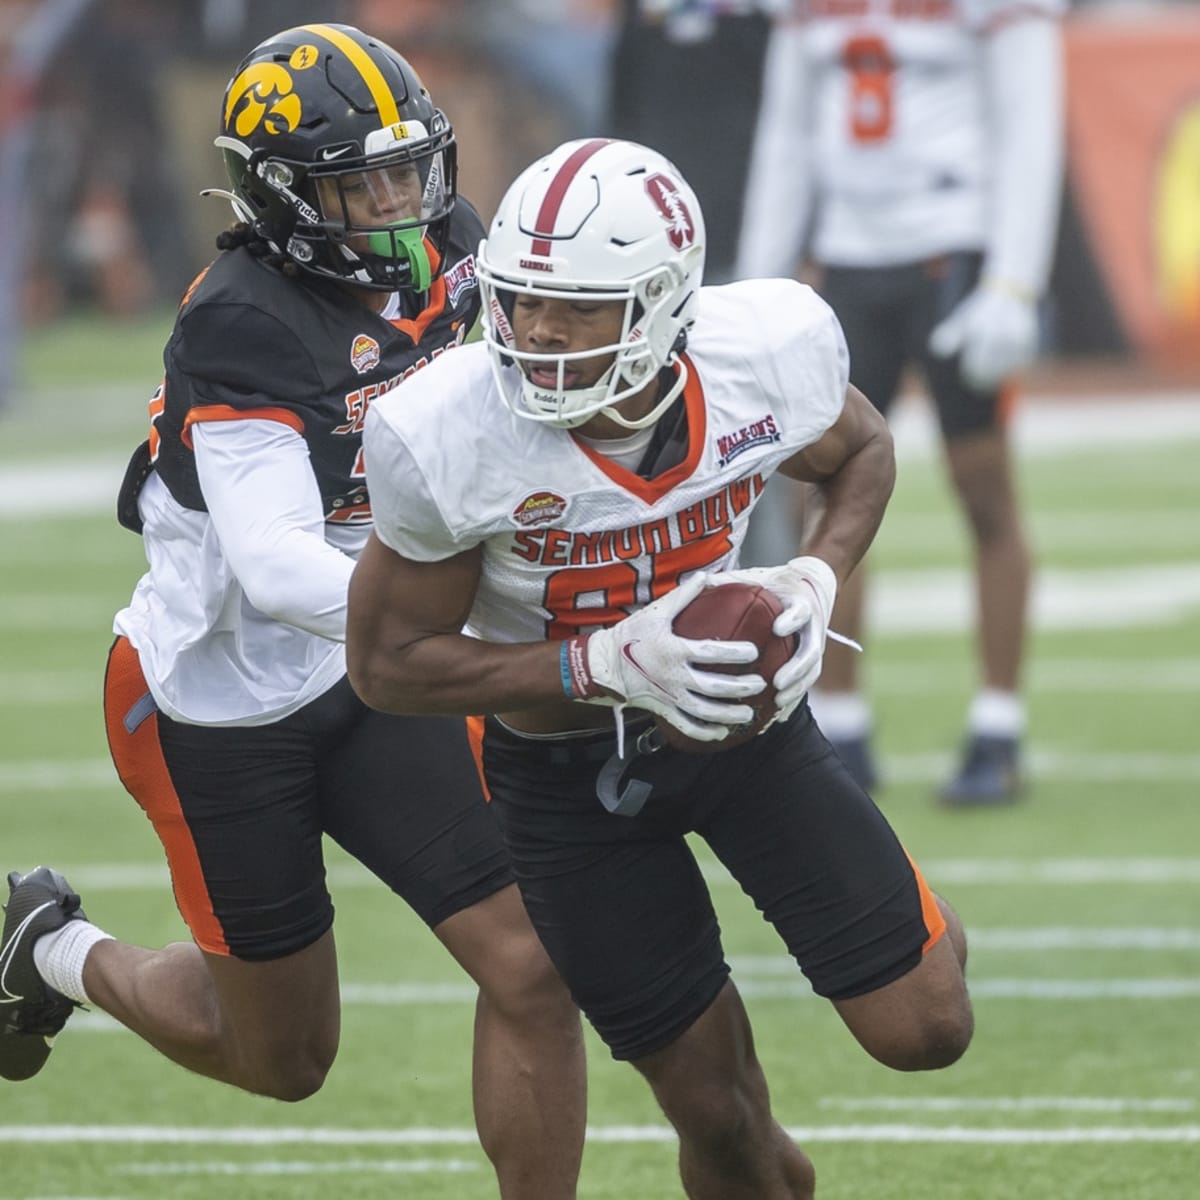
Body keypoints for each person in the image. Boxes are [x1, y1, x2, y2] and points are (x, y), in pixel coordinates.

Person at [0, 24, 585, 1198]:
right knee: (283, 1059)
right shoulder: (243, 320)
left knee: (532, 962)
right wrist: (471, 634)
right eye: (357, 183)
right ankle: (47, 949)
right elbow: (272, 563)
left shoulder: (452, 250)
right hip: (217, 704)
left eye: (406, 169)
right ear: (280, 195)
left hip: (369, 677)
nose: (395, 202)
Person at [345, 137, 974, 1198]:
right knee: (720, 1122)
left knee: (927, 1029)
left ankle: (907, 923)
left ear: (667, 303)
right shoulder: (449, 429)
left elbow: (860, 449)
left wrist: (815, 578)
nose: (538, 332)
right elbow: (386, 664)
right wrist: (596, 664)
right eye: (520, 300)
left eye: (578, 307)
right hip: (568, 785)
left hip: (743, 734)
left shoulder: (764, 351)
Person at [735, 0, 1066, 804]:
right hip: (848, 254)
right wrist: (753, 287)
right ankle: (839, 722)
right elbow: (786, 133)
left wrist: (1015, 281)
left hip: (957, 247)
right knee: (823, 488)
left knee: (982, 484)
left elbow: (1032, 119)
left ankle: (999, 723)